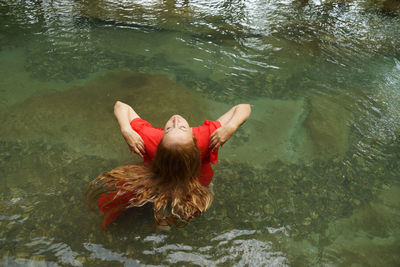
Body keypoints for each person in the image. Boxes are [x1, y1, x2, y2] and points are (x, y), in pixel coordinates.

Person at [86, 101, 251, 229]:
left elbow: (120, 106)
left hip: (160, 176)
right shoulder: (206, 138)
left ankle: (160, 214)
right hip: (198, 178)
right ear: (195, 142)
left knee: (159, 192)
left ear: (160, 144)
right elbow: (244, 107)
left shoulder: (150, 139)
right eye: (175, 128)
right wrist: (231, 127)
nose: (175, 120)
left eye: (173, 128)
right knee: (199, 195)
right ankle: (165, 221)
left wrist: (126, 129)